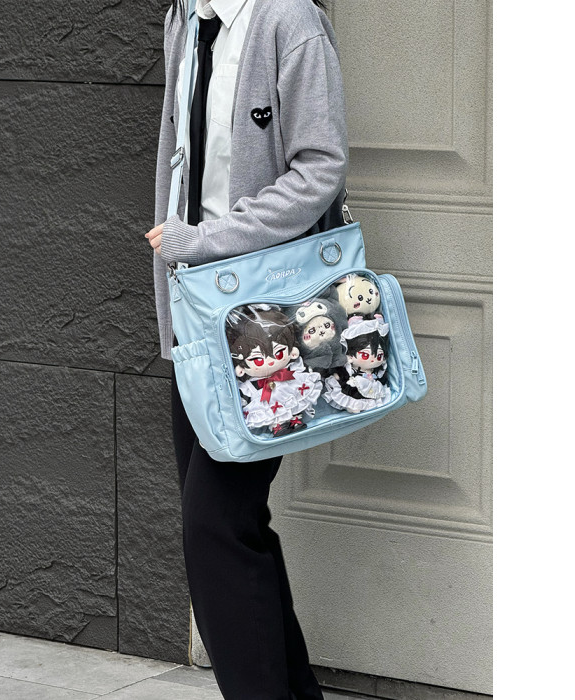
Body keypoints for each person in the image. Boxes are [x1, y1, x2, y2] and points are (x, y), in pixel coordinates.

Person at [144, 0, 349, 697]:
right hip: (196, 313)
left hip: (269, 320)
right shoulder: (183, 17)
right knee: (231, 524)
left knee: (215, 526)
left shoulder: (290, 21)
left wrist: (206, 240)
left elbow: (319, 168)